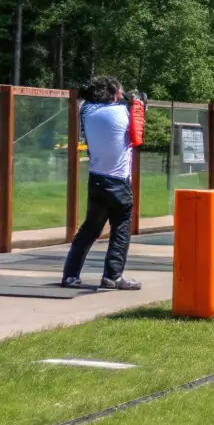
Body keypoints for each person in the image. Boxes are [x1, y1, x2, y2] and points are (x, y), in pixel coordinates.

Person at [60, 76, 143, 291]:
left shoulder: (87, 111)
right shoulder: (122, 112)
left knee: (89, 228)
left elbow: (93, 98)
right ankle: (113, 276)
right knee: (121, 230)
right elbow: (139, 114)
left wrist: (121, 95)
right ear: (115, 95)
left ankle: (70, 275)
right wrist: (134, 99)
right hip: (118, 182)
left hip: (96, 179)